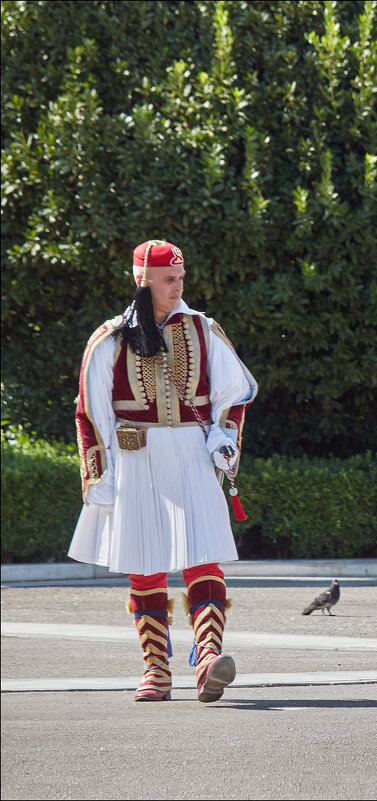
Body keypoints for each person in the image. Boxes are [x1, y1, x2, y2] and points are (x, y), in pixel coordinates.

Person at [71, 240, 257, 703]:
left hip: (192, 453)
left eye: (180, 278)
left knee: (203, 554)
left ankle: (209, 656)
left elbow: (235, 394)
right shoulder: (111, 337)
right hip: (136, 456)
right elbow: (90, 410)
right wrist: (99, 472)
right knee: (143, 561)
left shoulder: (203, 328)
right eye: (168, 280)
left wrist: (223, 439)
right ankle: (156, 668)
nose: (178, 287)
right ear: (143, 281)